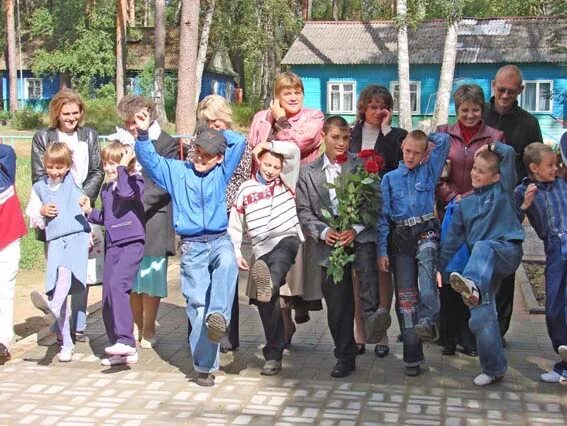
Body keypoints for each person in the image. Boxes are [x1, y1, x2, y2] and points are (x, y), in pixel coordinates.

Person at [134, 110, 246, 387]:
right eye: (198, 151)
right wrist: (143, 133)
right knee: (197, 306)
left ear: (219, 158)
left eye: (208, 155)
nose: (201, 158)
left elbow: (240, 144)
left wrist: (218, 130)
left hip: (220, 239)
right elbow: (149, 159)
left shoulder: (223, 170)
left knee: (228, 263)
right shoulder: (177, 171)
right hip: (193, 246)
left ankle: (219, 313)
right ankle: (204, 366)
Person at [296, 116, 380, 378]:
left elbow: (373, 203)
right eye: (335, 138)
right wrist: (323, 232)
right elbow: (303, 210)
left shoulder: (361, 166)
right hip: (329, 245)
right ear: (324, 136)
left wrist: (354, 229)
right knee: (337, 304)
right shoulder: (307, 173)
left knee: (367, 279)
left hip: (357, 238)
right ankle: (345, 355)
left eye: (345, 138)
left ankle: (374, 322)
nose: (342, 143)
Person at [249, 72, 325, 344]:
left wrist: (281, 121)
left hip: (299, 201)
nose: (293, 96)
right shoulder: (260, 118)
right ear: (276, 96)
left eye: (297, 92)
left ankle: (296, 309)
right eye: (286, 92)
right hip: (265, 200)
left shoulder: (313, 118)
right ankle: (282, 330)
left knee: (293, 270)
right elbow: (252, 155)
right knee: (271, 269)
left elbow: (298, 144)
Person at [439, 142, 524, 386]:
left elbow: (508, 152)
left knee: (483, 246)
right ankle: (494, 368)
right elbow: (451, 243)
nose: (474, 173)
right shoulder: (463, 204)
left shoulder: (503, 190)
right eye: (474, 169)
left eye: (482, 171)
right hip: (482, 267)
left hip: (506, 251)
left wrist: (488, 145)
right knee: (480, 315)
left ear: (496, 176)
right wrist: (439, 271)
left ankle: (472, 285)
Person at [436, 84, 505, 357]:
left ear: (482, 110)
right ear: (456, 110)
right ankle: (447, 335)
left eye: (475, 109)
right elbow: (435, 175)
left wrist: (471, 200)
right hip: (449, 212)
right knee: (448, 272)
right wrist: (452, 197)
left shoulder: (495, 136)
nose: (470, 114)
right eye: (464, 109)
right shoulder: (443, 135)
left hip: (479, 216)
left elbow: (498, 176)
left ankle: (469, 336)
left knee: (472, 278)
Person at [31, 88, 104, 343]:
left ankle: (79, 324)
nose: (71, 118)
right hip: (54, 214)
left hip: (80, 210)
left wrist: (81, 196)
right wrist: (50, 204)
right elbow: (39, 175)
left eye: (75, 113)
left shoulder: (90, 136)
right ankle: (60, 328)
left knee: (80, 269)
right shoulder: (44, 137)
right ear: (57, 114)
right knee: (57, 271)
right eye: (66, 114)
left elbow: (97, 171)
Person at [377, 130, 450, 377]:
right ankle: (412, 354)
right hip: (401, 238)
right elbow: (383, 218)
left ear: (424, 153)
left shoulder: (429, 170)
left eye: (417, 152)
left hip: (426, 231)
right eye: (408, 150)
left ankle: (428, 321)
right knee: (407, 297)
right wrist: (381, 250)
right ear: (402, 148)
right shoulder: (389, 179)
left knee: (428, 275)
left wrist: (426, 137)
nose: (411, 156)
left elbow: (445, 141)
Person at [228, 140, 302, 376]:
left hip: (286, 237)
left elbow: (293, 151)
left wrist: (267, 144)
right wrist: (237, 251)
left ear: (283, 168)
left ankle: (269, 282)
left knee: (276, 271)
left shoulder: (286, 181)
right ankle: (273, 354)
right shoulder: (245, 189)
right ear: (259, 161)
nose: (270, 170)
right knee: (265, 301)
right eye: (267, 164)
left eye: (276, 166)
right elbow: (235, 224)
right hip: (260, 248)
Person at [186, 94, 252, 353]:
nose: (212, 127)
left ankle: (226, 334)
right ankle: (197, 331)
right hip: (200, 215)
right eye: (207, 122)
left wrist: (221, 199)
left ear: (225, 118)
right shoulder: (197, 142)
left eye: (216, 121)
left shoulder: (239, 143)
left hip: (226, 212)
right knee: (198, 277)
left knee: (225, 274)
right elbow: (192, 172)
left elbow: (240, 178)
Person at [483, 65, 543, 340]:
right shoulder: (478, 113)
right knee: (477, 265)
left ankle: (498, 330)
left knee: (506, 269)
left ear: (521, 90)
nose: (506, 95)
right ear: (493, 85)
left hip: (511, 206)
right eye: (501, 89)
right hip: (480, 204)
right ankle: (472, 329)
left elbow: (535, 166)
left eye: (511, 90)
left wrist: (528, 203)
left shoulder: (529, 123)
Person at [349, 84, 408, 357]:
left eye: (383, 107)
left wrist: (385, 132)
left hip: (387, 210)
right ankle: (360, 331)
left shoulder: (397, 136)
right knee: (358, 273)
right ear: (363, 108)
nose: (377, 111)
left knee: (383, 268)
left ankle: (380, 330)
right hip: (355, 209)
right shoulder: (351, 136)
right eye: (372, 106)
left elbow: (396, 164)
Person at [115, 96, 178, 350]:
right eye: (128, 122)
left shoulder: (167, 143)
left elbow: (164, 182)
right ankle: (135, 324)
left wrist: (138, 203)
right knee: (130, 275)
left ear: (150, 115)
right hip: (126, 219)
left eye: (137, 120)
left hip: (154, 217)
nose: (133, 126)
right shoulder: (121, 144)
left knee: (151, 276)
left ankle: (149, 325)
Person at [80, 142, 145, 366]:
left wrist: (123, 169)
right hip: (112, 245)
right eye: (106, 163)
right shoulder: (107, 189)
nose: (109, 168)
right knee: (108, 295)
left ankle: (126, 340)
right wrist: (89, 211)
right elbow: (108, 218)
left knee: (119, 286)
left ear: (125, 164)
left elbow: (128, 195)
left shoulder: (135, 181)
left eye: (114, 163)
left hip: (131, 243)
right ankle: (120, 347)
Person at [28, 143, 91, 362]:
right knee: (57, 289)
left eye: (59, 166)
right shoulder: (39, 187)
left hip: (76, 236)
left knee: (65, 273)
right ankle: (66, 342)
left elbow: (81, 152)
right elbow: (32, 214)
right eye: (50, 166)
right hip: (55, 239)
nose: (55, 171)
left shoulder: (73, 180)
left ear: (67, 166)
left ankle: (51, 307)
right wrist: (42, 212)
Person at [514, 142, 567, 383]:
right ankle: (563, 352)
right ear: (534, 168)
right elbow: (512, 223)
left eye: (556, 164)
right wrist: (525, 204)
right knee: (554, 307)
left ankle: (564, 366)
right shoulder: (523, 191)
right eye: (550, 166)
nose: (555, 168)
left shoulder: (562, 183)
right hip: (555, 250)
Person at [0, 144, 27, 364]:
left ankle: (3, 341)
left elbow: (5, 151)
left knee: (4, 290)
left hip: (7, 238)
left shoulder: (5, 166)